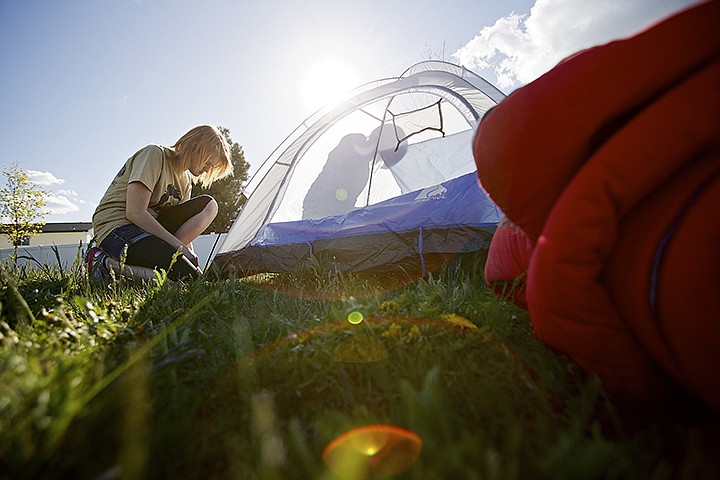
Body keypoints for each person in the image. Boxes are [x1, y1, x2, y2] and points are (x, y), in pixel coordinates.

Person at [88, 125, 233, 282]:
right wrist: (179, 249)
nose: (207, 170)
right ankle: (103, 263)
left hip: (149, 229)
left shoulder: (186, 181)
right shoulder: (155, 155)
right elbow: (135, 212)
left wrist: (190, 261)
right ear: (195, 148)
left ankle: (144, 268)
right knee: (186, 279)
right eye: (207, 163)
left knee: (209, 205)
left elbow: (184, 227)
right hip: (118, 227)